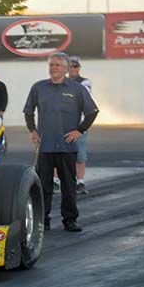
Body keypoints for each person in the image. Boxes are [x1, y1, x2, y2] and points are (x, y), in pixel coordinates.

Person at [23, 52, 99, 233]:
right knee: (43, 186)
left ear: (65, 68)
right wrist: (32, 130)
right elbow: (28, 111)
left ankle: (70, 219)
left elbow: (92, 111)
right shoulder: (39, 87)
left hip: (67, 145)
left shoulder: (77, 88)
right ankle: (43, 220)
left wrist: (79, 130)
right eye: (51, 65)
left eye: (57, 65)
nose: (53, 68)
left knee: (68, 185)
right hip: (45, 146)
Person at [67, 56, 92, 194]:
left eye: (75, 66)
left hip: (79, 123)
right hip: (63, 123)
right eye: (70, 66)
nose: (73, 69)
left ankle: (80, 182)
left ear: (79, 68)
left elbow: (84, 100)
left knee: (80, 154)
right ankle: (57, 182)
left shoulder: (84, 82)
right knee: (58, 153)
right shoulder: (60, 82)